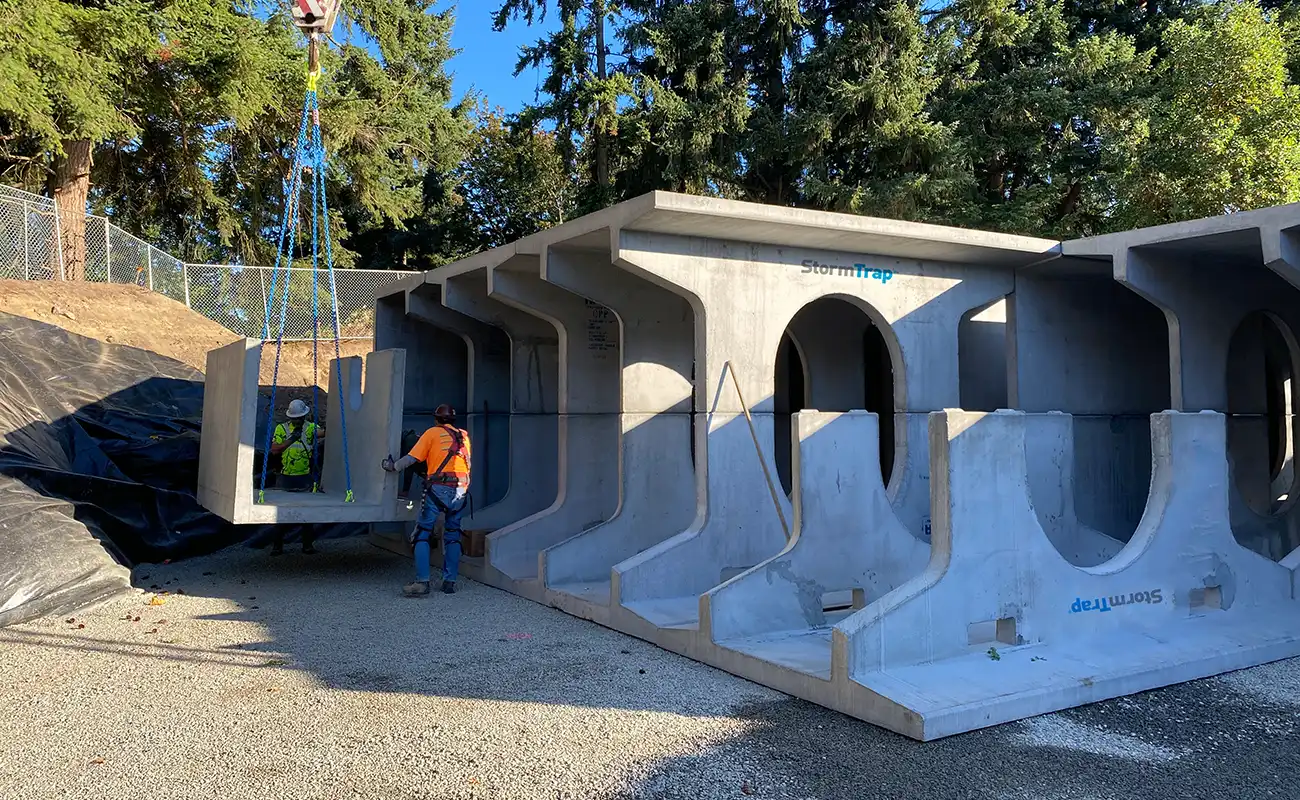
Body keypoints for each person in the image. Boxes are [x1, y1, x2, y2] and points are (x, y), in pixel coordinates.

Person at [381, 403, 471, 596]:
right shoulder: (463, 436)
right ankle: (449, 582)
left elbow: (412, 459)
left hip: (438, 488)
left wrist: (393, 466)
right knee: (453, 534)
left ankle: (422, 583)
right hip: (461, 489)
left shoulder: (431, 433)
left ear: (436, 419)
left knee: (422, 533)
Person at [268, 398, 324, 556]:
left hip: (304, 477)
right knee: (281, 514)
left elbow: (323, 432)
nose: (298, 421)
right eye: (295, 418)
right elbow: (274, 450)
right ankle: (277, 546)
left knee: (307, 514)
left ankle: (307, 545)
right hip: (285, 476)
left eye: (300, 418)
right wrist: (291, 440)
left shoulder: (310, 428)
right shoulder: (282, 429)